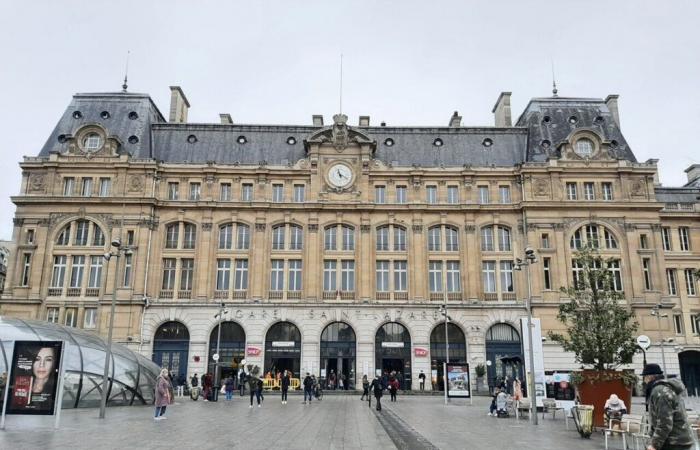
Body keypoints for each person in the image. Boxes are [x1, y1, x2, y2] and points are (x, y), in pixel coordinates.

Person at [642, 363, 695, 450]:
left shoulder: (660, 391)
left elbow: (664, 422)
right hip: (679, 439)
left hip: (673, 442)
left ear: (649, 377)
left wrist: (654, 445)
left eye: (644, 377)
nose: (644, 381)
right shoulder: (667, 388)